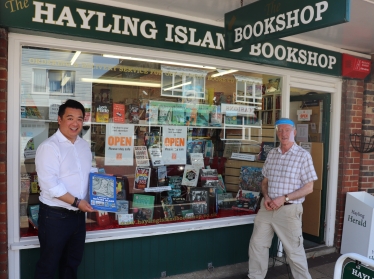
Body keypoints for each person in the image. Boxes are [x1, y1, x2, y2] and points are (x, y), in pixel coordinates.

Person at [247, 118, 318, 279]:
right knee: (257, 245)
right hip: (267, 208)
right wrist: (265, 196)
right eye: (280, 130)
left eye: (287, 130)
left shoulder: (303, 156)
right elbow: (264, 181)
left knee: (294, 251)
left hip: (289, 210)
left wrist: (284, 198)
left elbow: (309, 187)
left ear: (294, 132)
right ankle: (255, 276)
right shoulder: (272, 154)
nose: (283, 134)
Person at [34, 99, 96, 279]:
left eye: (79, 118)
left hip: (78, 216)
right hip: (55, 217)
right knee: (48, 265)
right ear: (59, 119)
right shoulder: (49, 147)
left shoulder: (84, 146)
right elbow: (50, 185)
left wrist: (101, 191)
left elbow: (87, 174)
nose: (75, 123)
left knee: (71, 264)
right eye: (70, 118)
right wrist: (78, 202)